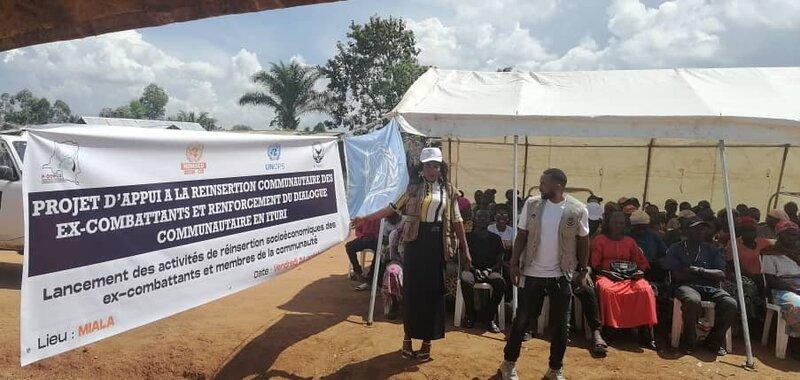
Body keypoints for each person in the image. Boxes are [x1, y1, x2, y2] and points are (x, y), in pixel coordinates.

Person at [352, 147, 470, 361]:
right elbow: (391, 209)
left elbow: (457, 220)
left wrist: (465, 248)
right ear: (421, 167)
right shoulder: (412, 189)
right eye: (428, 165)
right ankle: (407, 339)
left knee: (434, 293)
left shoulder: (449, 190)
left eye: (435, 165)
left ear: (440, 166)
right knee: (413, 292)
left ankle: (426, 344)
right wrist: (365, 218)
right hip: (415, 243)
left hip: (437, 244)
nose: (432, 169)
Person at [500, 168, 590, 380]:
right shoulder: (532, 204)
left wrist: (583, 269)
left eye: (544, 183)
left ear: (557, 186)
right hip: (532, 273)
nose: (540, 186)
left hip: (561, 275)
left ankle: (555, 368)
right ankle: (508, 363)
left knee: (561, 326)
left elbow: (584, 240)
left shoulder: (577, 209)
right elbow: (522, 235)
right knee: (521, 320)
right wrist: (514, 263)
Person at [661, 218, 738, 356]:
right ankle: (688, 341)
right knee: (692, 301)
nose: (701, 231)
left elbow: (721, 274)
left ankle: (713, 342)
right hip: (685, 286)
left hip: (711, 288)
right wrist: (707, 274)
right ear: (686, 231)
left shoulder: (712, 249)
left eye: (703, 228)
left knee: (730, 303)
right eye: (696, 228)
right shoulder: (676, 248)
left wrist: (697, 271)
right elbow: (678, 276)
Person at [592, 211, 658, 349]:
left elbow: (641, 263)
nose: (618, 226)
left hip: (629, 277)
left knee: (644, 289)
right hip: (607, 276)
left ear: (625, 225)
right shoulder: (600, 240)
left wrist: (639, 272)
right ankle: (610, 330)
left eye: (621, 223)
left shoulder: (630, 241)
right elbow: (594, 265)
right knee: (608, 291)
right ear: (608, 224)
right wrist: (609, 274)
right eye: (615, 223)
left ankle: (644, 331)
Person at [461, 209, 506, 333]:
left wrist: (488, 270)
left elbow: (500, 261)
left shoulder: (496, 239)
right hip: (471, 269)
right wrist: (474, 270)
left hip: (490, 271)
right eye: (480, 216)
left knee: (500, 282)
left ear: (490, 220)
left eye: (485, 217)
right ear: (474, 219)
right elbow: (463, 258)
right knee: (465, 280)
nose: (482, 219)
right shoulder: (467, 238)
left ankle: (489, 316)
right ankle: (471, 315)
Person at [722, 216, 770, 324]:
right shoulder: (733, 244)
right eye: (746, 230)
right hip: (740, 277)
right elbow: (734, 266)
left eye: (752, 230)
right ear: (741, 231)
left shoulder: (764, 243)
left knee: (770, 285)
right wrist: (754, 276)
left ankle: (767, 320)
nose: (749, 233)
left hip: (763, 276)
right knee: (748, 287)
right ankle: (750, 321)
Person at [762, 220, 800, 340]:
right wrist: (794, 289)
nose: (792, 238)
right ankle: (795, 344)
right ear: (779, 235)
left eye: (795, 235)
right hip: (781, 290)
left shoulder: (797, 254)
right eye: (789, 234)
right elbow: (772, 281)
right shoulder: (770, 253)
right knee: (797, 306)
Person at [629, 211, 668, 282]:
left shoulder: (653, 236)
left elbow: (665, 254)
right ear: (632, 226)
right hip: (631, 271)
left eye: (644, 228)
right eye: (638, 228)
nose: (641, 231)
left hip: (651, 271)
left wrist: (657, 262)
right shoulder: (626, 237)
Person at [346, 217, 380, 284]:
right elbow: (358, 231)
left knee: (379, 251)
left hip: (375, 239)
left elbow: (383, 231)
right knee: (349, 246)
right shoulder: (362, 216)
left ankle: (371, 275)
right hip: (363, 238)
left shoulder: (380, 215)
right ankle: (358, 272)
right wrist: (362, 236)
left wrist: (375, 237)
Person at [383, 224, 405, 320]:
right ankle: (395, 303)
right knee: (392, 271)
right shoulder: (397, 233)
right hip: (402, 263)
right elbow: (394, 255)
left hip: (422, 264)